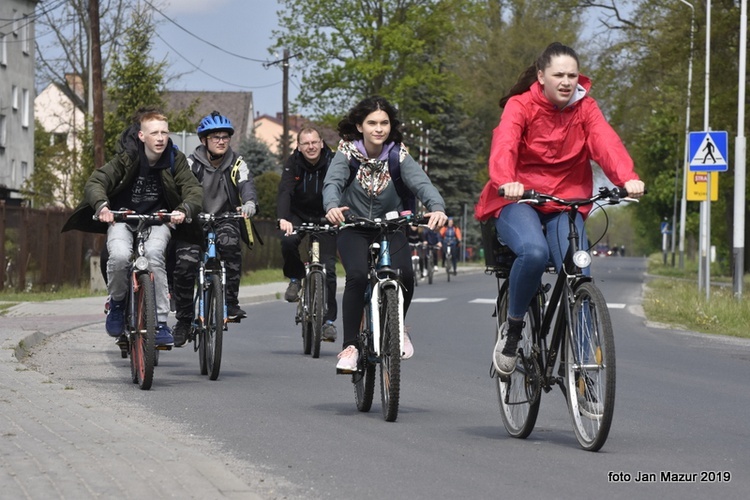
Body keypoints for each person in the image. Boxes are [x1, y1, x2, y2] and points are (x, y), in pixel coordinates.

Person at [474, 42, 645, 376]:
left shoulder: (586, 108)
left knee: (578, 269)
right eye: (559, 75)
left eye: (572, 75)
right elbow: (505, 144)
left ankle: (583, 370)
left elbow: (606, 143)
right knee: (534, 253)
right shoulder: (520, 106)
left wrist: (627, 178)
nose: (567, 81)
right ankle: (513, 328)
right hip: (519, 198)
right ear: (541, 76)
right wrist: (506, 180)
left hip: (566, 202)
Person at [323, 96, 448, 371]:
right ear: (360, 126)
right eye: (372, 123)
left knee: (405, 274)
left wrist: (437, 207)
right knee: (356, 276)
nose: (378, 129)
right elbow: (332, 182)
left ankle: (398, 327)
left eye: (384, 123)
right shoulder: (346, 152)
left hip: (390, 226)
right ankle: (351, 347)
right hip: (353, 225)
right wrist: (332, 207)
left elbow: (422, 183)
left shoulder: (397, 154)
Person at [62, 108, 203, 348]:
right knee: (118, 256)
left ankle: (159, 322)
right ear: (141, 136)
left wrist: (185, 209)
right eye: (154, 133)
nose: (160, 138)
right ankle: (117, 305)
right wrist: (102, 206)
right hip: (123, 219)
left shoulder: (174, 159)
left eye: (164, 133)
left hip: (158, 221)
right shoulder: (127, 157)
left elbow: (193, 189)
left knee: (155, 255)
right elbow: (97, 181)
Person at [171, 111, 258, 347]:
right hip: (193, 221)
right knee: (185, 264)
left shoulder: (237, 163)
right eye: (215, 137)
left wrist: (249, 203)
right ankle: (184, 320)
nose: (221, 141)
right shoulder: (190, 164)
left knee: (230, 246)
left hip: (225, 218)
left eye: (225, 137)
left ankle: (230, 302)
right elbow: (180, 189)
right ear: (204, 140)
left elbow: (246, 184)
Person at [277, 127, 339, 342]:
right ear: (299, 146)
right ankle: (295, 278)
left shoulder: (333, 161)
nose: (311, 147)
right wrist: (283, 218)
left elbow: (344, 187)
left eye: (314, 142)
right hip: (299, 214)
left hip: (327, 215)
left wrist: (340, 213)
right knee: (288, 241)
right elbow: (285, 191)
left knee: (329, 269)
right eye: (306, 143)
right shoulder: (293, 162)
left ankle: (329, 322)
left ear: (321, 143)